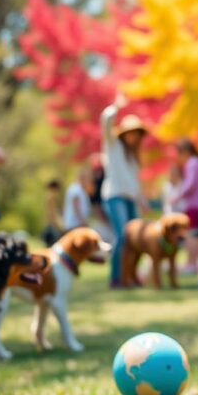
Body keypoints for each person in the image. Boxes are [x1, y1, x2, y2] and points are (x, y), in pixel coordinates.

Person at [100, 94, 149, 287]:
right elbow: (105, 122)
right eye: (130, 132)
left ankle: (131, 275)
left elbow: (134, 183)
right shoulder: (113, 147)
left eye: (136, 133)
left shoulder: (133, 157)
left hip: (129, 198)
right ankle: (116, 278)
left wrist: (142, 200)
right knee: (123, 236)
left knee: (136, 240)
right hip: (114, 197)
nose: (133, 136)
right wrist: (115, 107)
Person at [173, 139, 198, 274]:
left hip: (193, 205)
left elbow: (190, 184)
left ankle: (192, 262)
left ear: (185, 152)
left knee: (191, 234)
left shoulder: (192, 163)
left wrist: (177, 196)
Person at [63, 167, 94, 232]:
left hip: (76, 225)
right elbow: (76, 206)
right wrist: (82, 221)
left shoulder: (80, 189)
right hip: (75, 225)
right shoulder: (76, 188)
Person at [43, 179, 63, 246]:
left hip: (49, 222)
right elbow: (53, 212)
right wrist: (57, 223)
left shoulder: (48, 195)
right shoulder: (53, 196)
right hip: (53, 223)